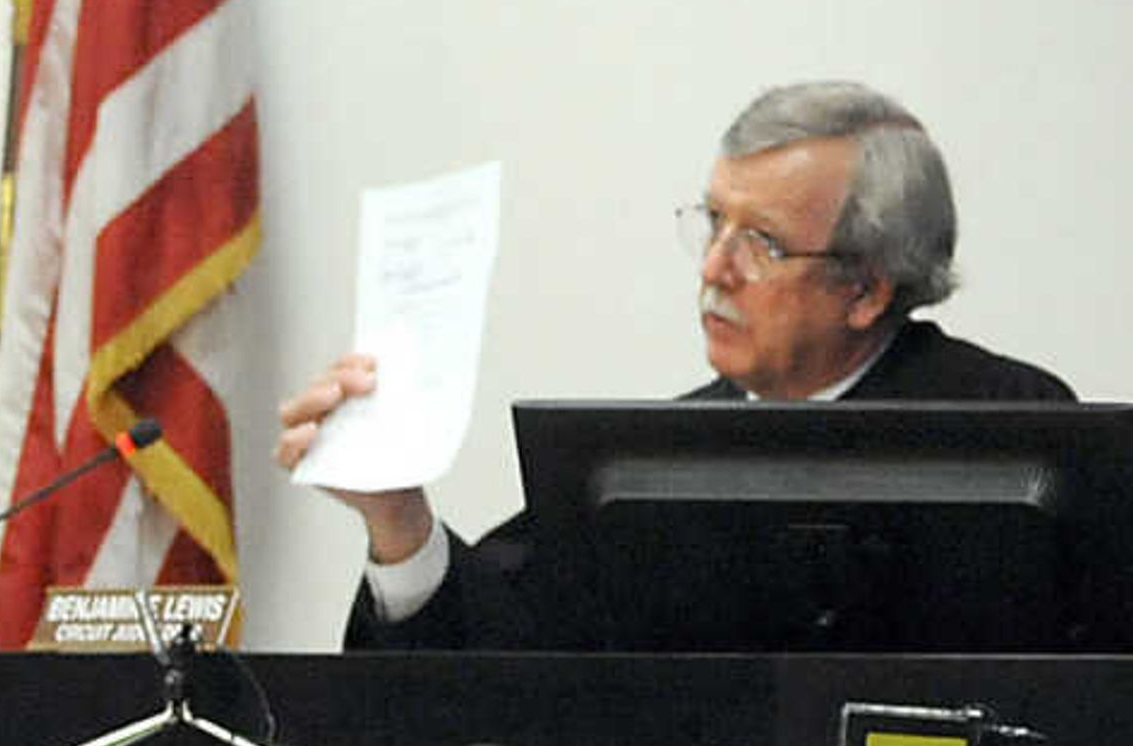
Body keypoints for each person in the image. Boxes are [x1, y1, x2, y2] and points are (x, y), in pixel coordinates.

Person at [277, 81, 1076, 649]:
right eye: (713, 222)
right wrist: (398, 519)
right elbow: (505, 671)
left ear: (865, 290)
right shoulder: (657, 458)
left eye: (759, 242)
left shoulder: (1008, 431)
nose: (713, 269)